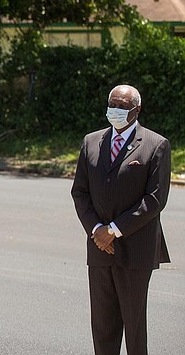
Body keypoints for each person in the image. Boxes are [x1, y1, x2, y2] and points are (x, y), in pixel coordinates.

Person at [71, 84, 171, 355]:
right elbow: (79, 192)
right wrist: (96, 230)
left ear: (136, 110)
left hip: (135, 250)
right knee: (103, 326)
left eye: (122, 106)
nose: (115, 110)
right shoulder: (91, 141)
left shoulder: (156, 145)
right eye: (112, 104)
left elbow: (154, 200)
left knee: (134, 327)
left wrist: (112, 231)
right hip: (99, 248)